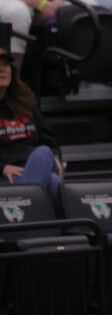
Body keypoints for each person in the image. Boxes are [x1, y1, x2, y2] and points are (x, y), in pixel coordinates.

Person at [0, 48, 63, 211]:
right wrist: (2, 168)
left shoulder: (25, 103)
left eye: (6, 64)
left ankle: (26, 210)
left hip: (36, 167)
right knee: (53, 183)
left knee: (43, 153)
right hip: (7, 179)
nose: (2, 68)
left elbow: (50, 142)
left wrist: (55, 157)